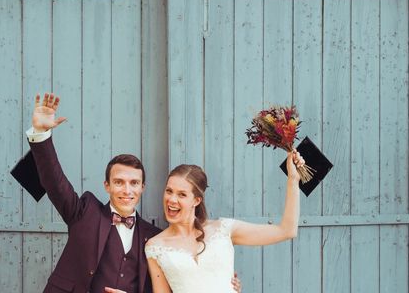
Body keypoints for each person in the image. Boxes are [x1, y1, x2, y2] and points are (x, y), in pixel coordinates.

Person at [26, 93, 242, 293]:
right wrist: (41, 133)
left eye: (134, 183)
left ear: (142, 187)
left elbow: (178, 282)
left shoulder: (156, 238)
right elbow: (54, 182)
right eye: (119, 182)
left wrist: (222, 282)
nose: (127, 190)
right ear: (107, 185)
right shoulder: (83, 212)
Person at [145, 152, 304, 293]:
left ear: (196, 200)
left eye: (181, 194)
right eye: (169, 191)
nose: (172, 200)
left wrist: (293, 179)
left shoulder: (224, 229)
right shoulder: (155, 247)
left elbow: (287, 230)